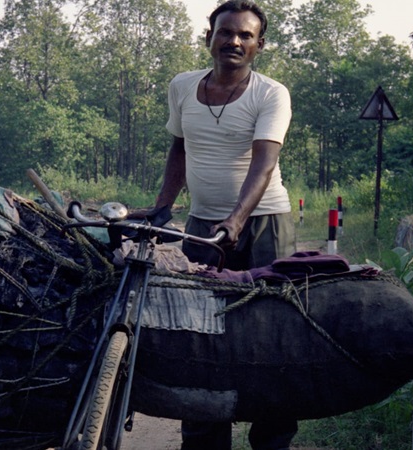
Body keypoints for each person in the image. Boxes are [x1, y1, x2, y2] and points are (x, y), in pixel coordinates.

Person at [150, 1, 297, 449]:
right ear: (209, 37)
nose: (234, 41)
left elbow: (264, 162)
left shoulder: (271, 93)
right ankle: (204, 436)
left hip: (264, 225)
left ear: (259, 46)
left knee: (272, 333)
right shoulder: (182, 86)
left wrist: (236, 219)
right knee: (197, 337)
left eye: (245, 36)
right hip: (201, 227)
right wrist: (162, 208)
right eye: (225, 32)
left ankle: (271, 438)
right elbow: (179, 150)